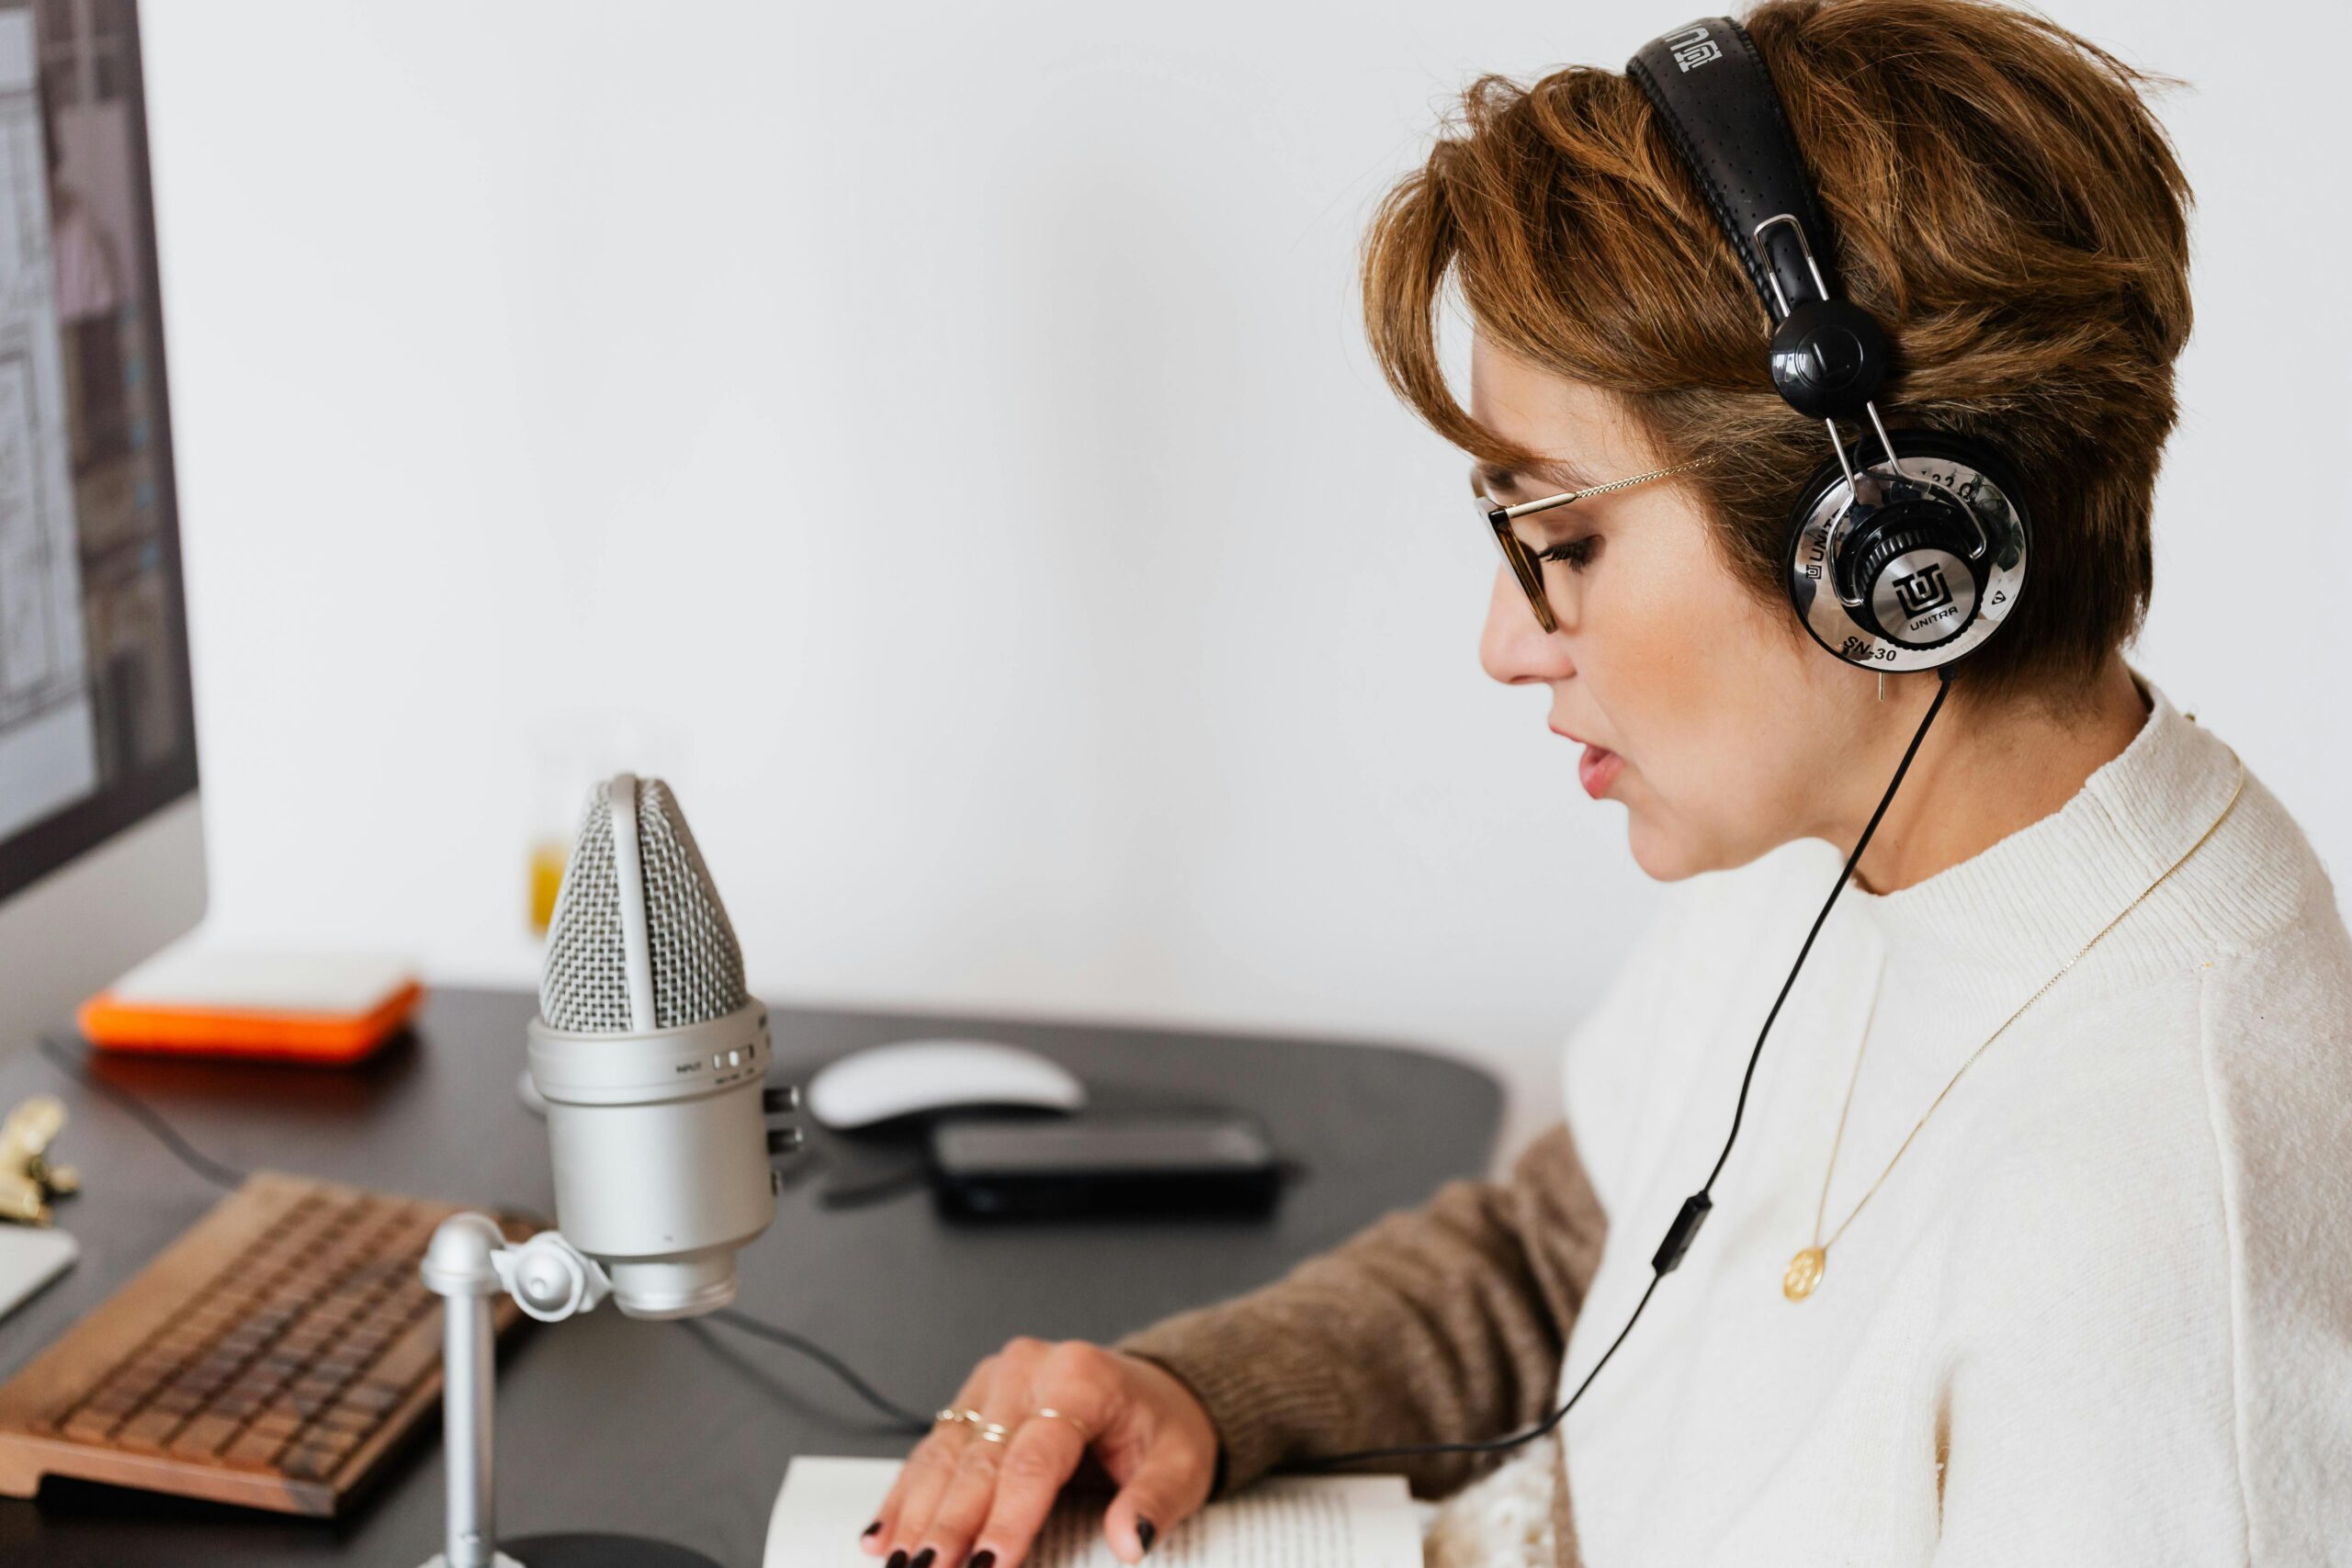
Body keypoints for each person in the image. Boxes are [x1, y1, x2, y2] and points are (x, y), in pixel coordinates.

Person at [859, 2, 2352, 1565]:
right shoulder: (1837, 824)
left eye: (1562, 542)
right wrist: (1193, 1391)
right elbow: (1564, 1252)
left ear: (1886, 547)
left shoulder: (2163, 1222)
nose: (1510, 644)